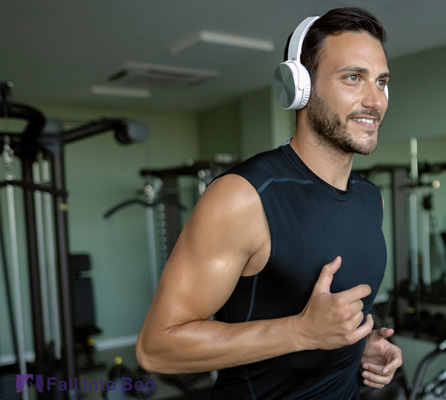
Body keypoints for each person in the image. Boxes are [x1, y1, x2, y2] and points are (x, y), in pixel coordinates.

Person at [136, 7, 402, 399]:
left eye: (381, 82)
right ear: (300, 87)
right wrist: (300, 331)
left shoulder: (369, 198)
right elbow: (156, 348)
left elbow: (331, 317)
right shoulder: (243, 197)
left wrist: (358, 343)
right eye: (352, 78)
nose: (375, 100)